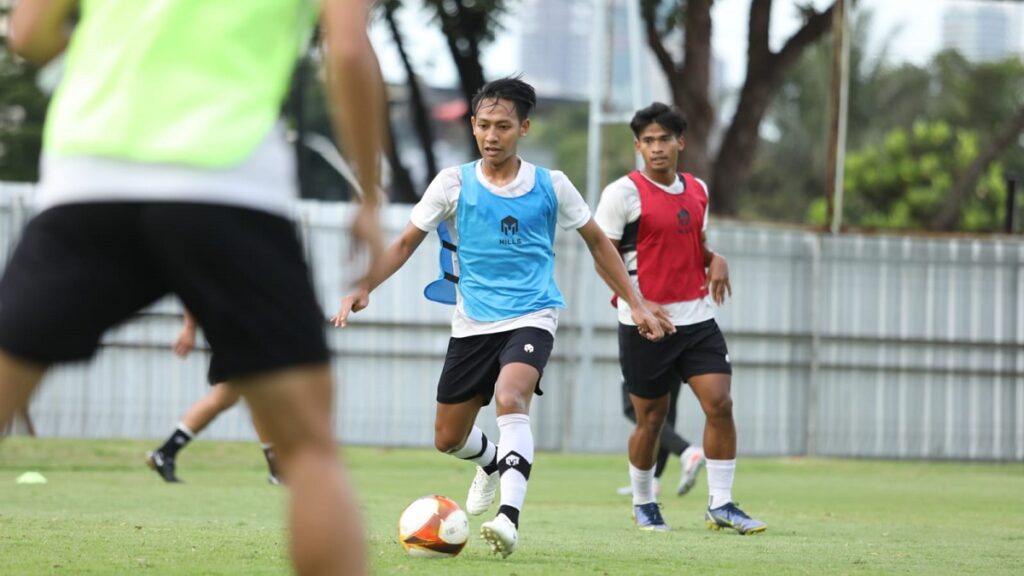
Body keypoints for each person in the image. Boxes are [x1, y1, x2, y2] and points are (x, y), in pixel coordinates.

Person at [0, 2, 387, 575]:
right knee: (308, 452)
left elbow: (28, 33)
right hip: (226, 181)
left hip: (89, 172)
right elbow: (349, 49)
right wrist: (370, 198)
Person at [333, 77, 666, 559]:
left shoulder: (552, 185)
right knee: (447, 438)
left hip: (533, 313)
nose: (492, 135)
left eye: (503, 126)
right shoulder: (451, 183)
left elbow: (598, 242)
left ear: (523, 128)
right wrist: (364, 286)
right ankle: (491, 462)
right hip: (472, 324)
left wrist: (634, 302)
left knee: (512, 397)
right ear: (472, 126)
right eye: (484, 125)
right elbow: (406, 241)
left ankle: (507, 518)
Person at [594, 102, 766, 534]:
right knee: (651, 420)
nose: (656, 148)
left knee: (720, 404)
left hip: (697, 319)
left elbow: (691, 243)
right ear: (637, 146)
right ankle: (643, 502)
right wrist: (637, 304)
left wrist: (714, 258)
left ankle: (721, 504)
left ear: (680, 143)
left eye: (664, 139)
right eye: (647, 141)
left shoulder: (698, 190)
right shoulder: (622, 194)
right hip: (646, 326)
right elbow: (603, 258)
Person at [147, 312, 281, 485]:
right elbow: (193, 285)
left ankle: (166, 453)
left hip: (245, 327)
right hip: (236, 329)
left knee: (226, 396)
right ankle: (278, 469)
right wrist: (189, 327)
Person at [615, 377, 704, 498]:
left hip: (645, 361)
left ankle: (687, 451)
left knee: (633, 407)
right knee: (664, 412)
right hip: (674, 362)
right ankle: (653, 479)